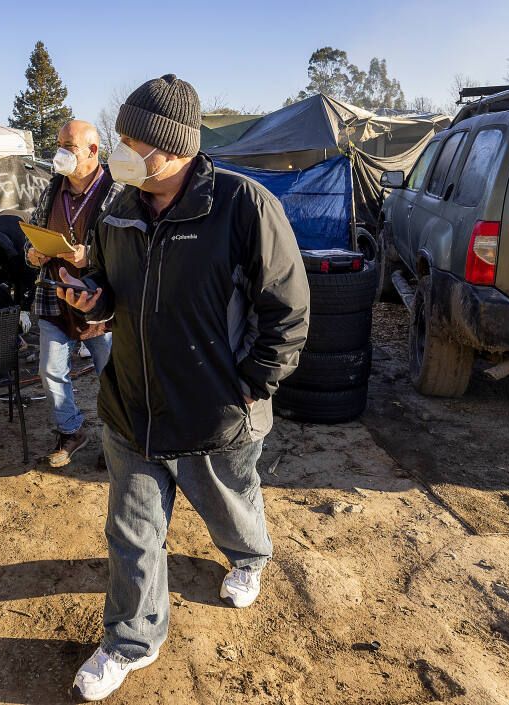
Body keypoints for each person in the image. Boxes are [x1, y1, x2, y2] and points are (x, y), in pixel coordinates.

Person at [57, 75, 310, 701]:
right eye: (119, 137)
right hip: (133, 404)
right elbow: (118, 294)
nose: (120, 151)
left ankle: (248, 557)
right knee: (132, 530)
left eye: (132, 141)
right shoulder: (117, 207)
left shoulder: (242, 205)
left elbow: (288, 308)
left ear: (175, 148)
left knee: (228, 504)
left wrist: (252, 383)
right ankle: (131, 640)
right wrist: (94, 304)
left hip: (216, 411)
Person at [26, 120, 126, 468]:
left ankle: (120, 442)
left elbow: (129, 248)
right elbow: (34, 230)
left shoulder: (117, 191)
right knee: (51, 370)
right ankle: (71, 430)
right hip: (54, 293)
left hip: (100, 300)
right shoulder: (52, 188)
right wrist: (32, 252)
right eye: (59, 143)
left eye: (68, 145)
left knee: (112, 375)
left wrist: (91, 256)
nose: (59, 151)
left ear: (93, 150)